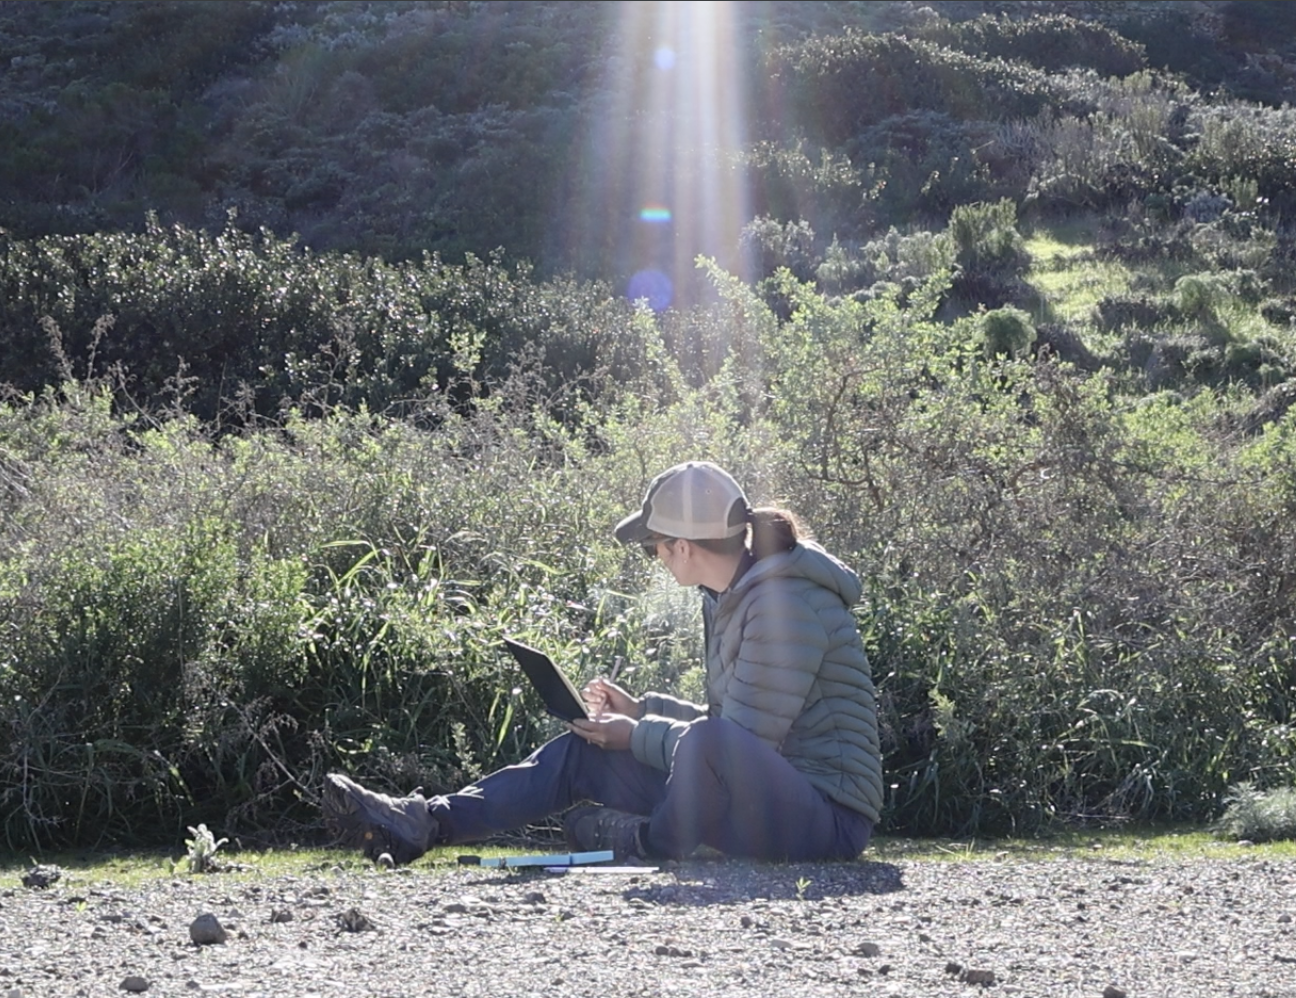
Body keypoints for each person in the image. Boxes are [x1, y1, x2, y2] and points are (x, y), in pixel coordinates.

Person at [322, 461, 884, 864]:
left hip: (826, 818)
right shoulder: (733, 594)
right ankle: (422, 823)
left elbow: (737, 742)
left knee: (697, 743)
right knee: (581, 751)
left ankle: (645, 843)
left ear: (682, 546)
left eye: (654, 547)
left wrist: (636, 732)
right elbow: (735, 725)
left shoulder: (784, 603)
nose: (656, 559)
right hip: (758, 791)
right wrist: (643, 711)